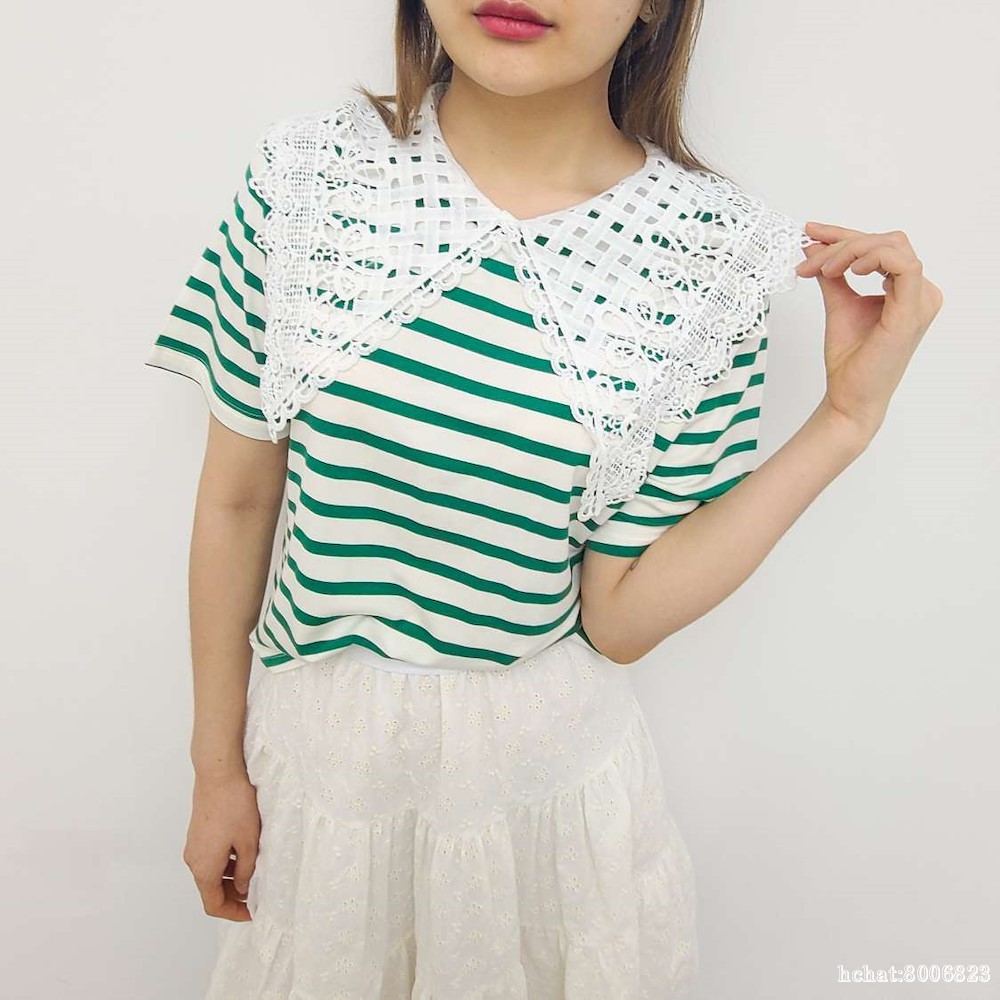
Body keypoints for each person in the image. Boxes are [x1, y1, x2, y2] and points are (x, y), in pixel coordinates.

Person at [144, 0, 944, 996]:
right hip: (319, 780)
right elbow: (234, 501)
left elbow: (618, 617)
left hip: (540, 803)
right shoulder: (307, 180)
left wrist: (843, 422)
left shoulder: (711, 260)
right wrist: (215, 768)